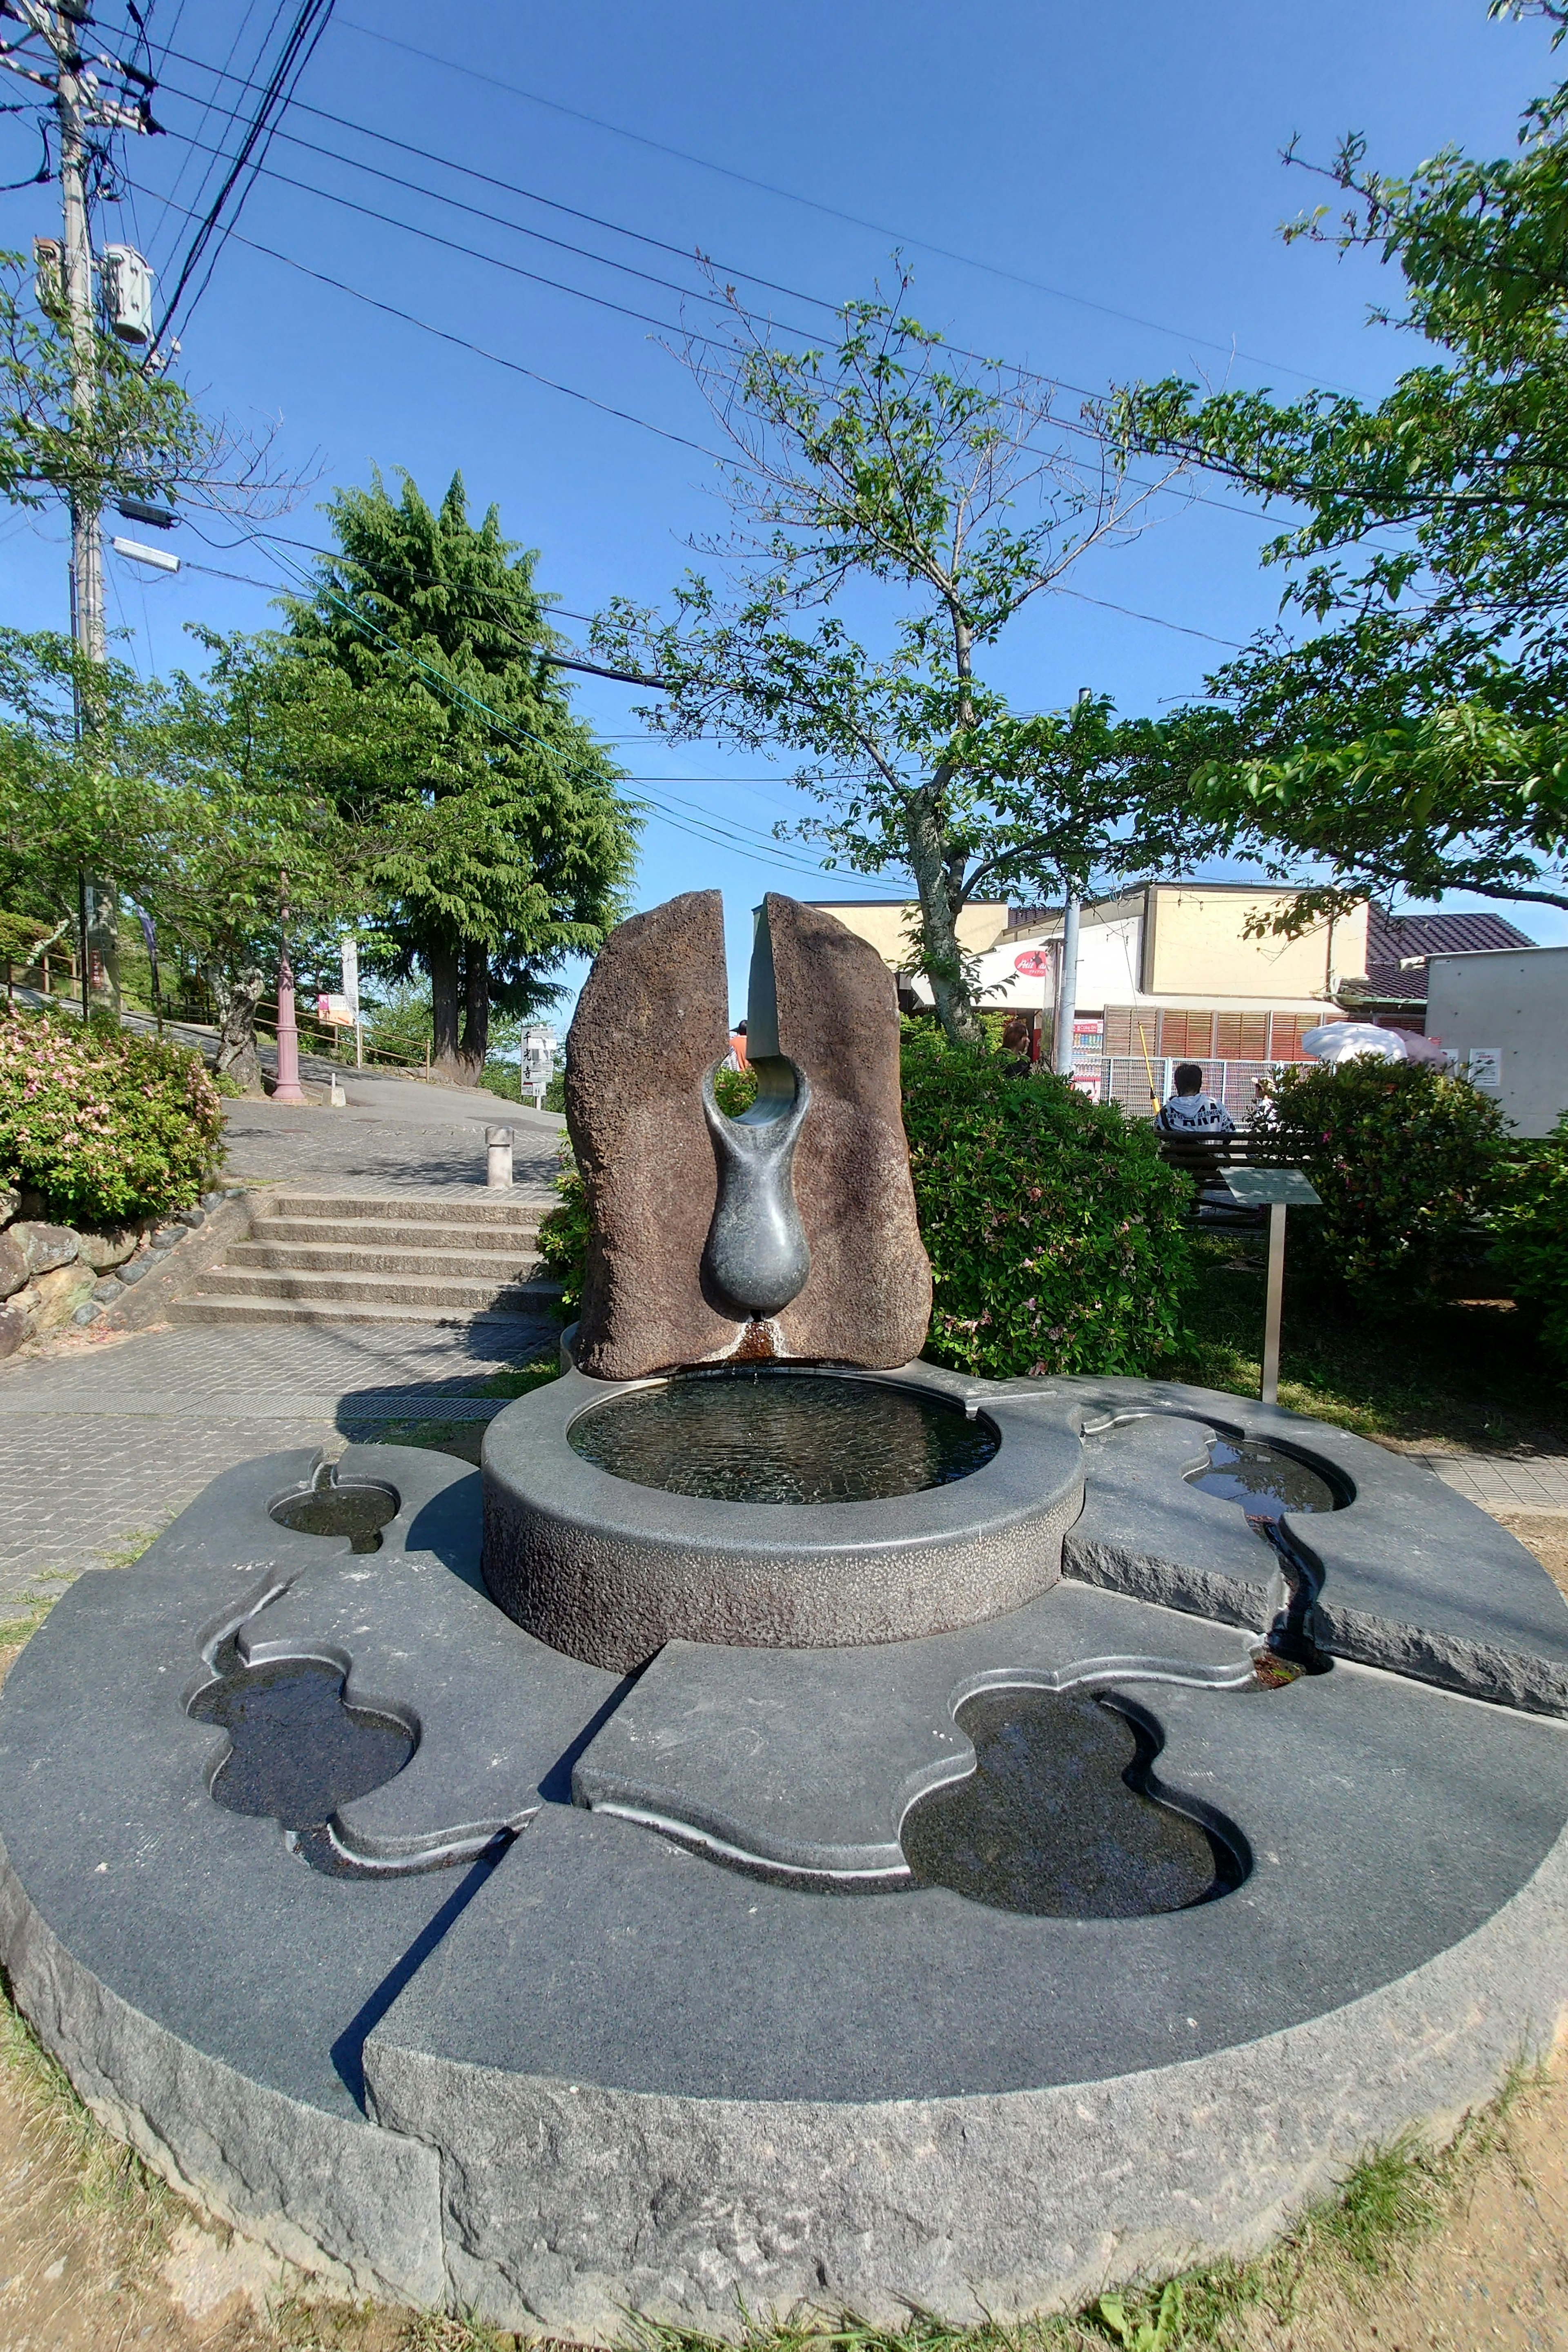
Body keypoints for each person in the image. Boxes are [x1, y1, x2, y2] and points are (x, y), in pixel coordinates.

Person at [1159, 1061, 1234, 1134]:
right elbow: (1230, 1134)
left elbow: (1157, 1138)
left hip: (1177, 1147)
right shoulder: (1217, 1106)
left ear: (1176, 1084)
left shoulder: (1165, 1112)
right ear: (1200, 1084)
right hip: (1212, 1147)